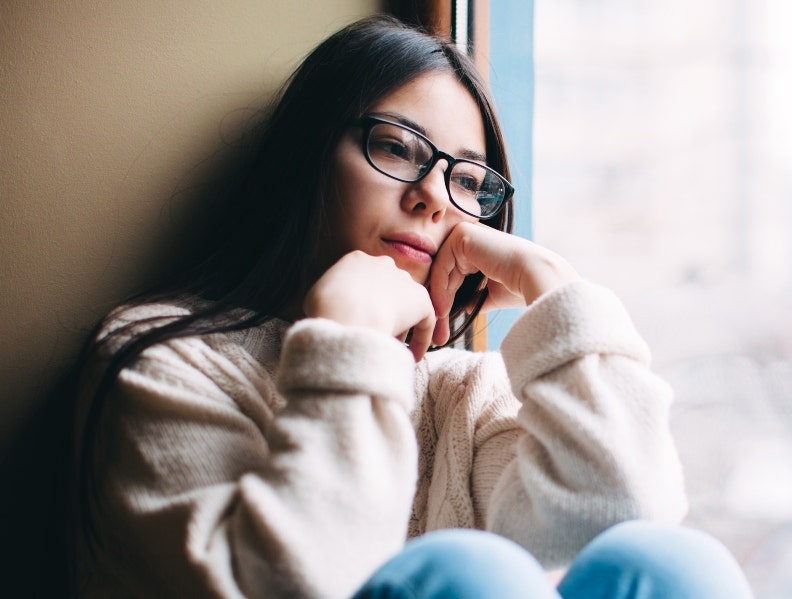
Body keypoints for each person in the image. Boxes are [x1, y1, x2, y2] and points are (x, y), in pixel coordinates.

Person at [70, 14, 753, 599]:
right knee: (469, 570)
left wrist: (552, 283)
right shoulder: (159, 359)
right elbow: (291, 582)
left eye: (467, 179)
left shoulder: (461, 391)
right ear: (309, 156)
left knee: (674, 561)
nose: (432, 195)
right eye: (396, 147)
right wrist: (348, 339)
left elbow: (619, 512)